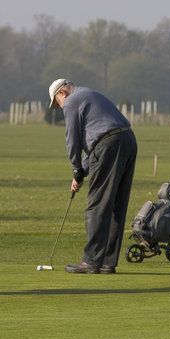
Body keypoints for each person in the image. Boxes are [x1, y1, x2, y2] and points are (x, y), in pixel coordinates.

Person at [48, 79, 137, 274]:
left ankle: (91, 261)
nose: (59, 107)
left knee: (97, 204)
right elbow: (98, 143)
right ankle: (107, 262)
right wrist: (81, 174)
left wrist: (76, 168)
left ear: (62, 93)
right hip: (127, 140)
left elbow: (72, 139)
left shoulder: (71, 101)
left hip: (110, 145)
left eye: (57, 102)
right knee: (116, 205)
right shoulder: (87, 94)